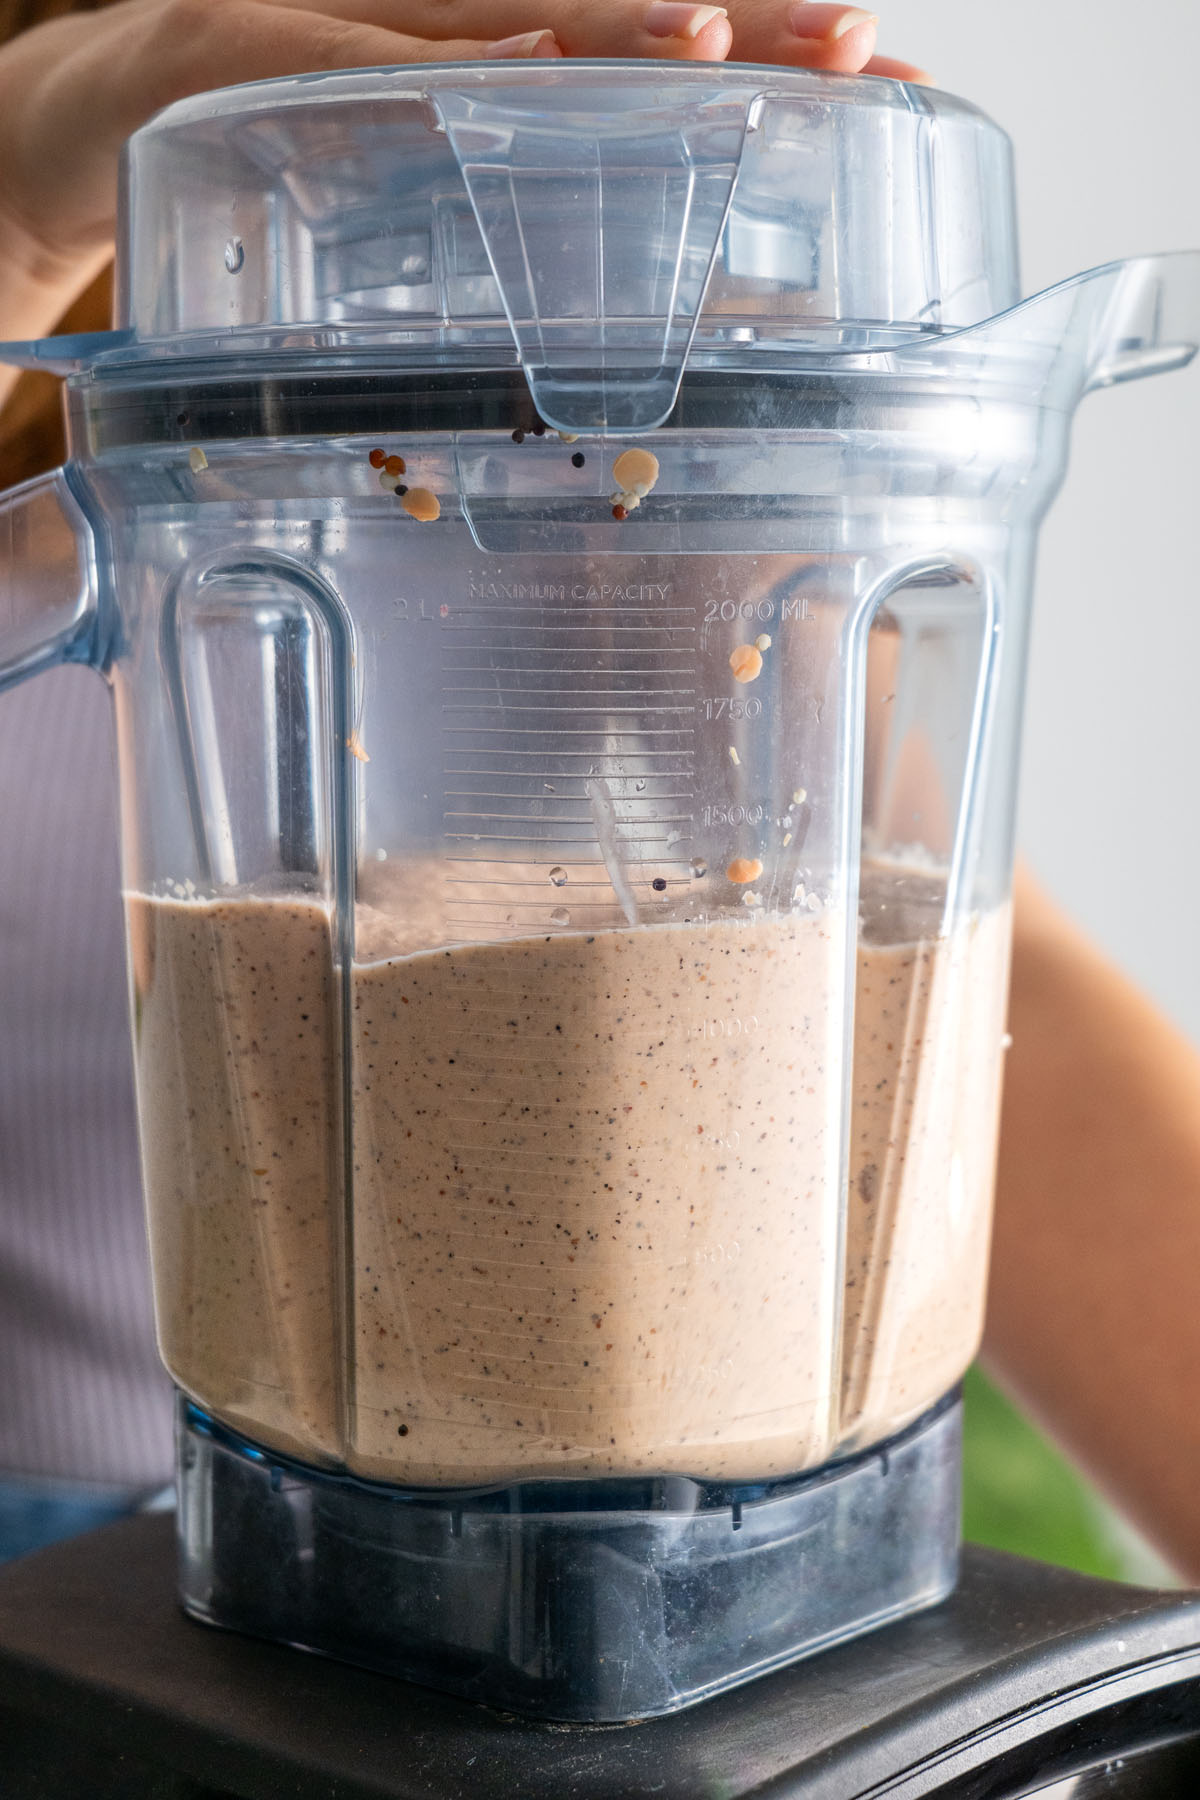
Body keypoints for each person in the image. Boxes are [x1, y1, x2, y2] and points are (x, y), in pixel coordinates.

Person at [6, 0, 1200, 1591]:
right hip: (102, 1543)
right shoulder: (134, 498)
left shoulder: (687, 493)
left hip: (744, 1506)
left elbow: (965, 1016)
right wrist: (22, 186)